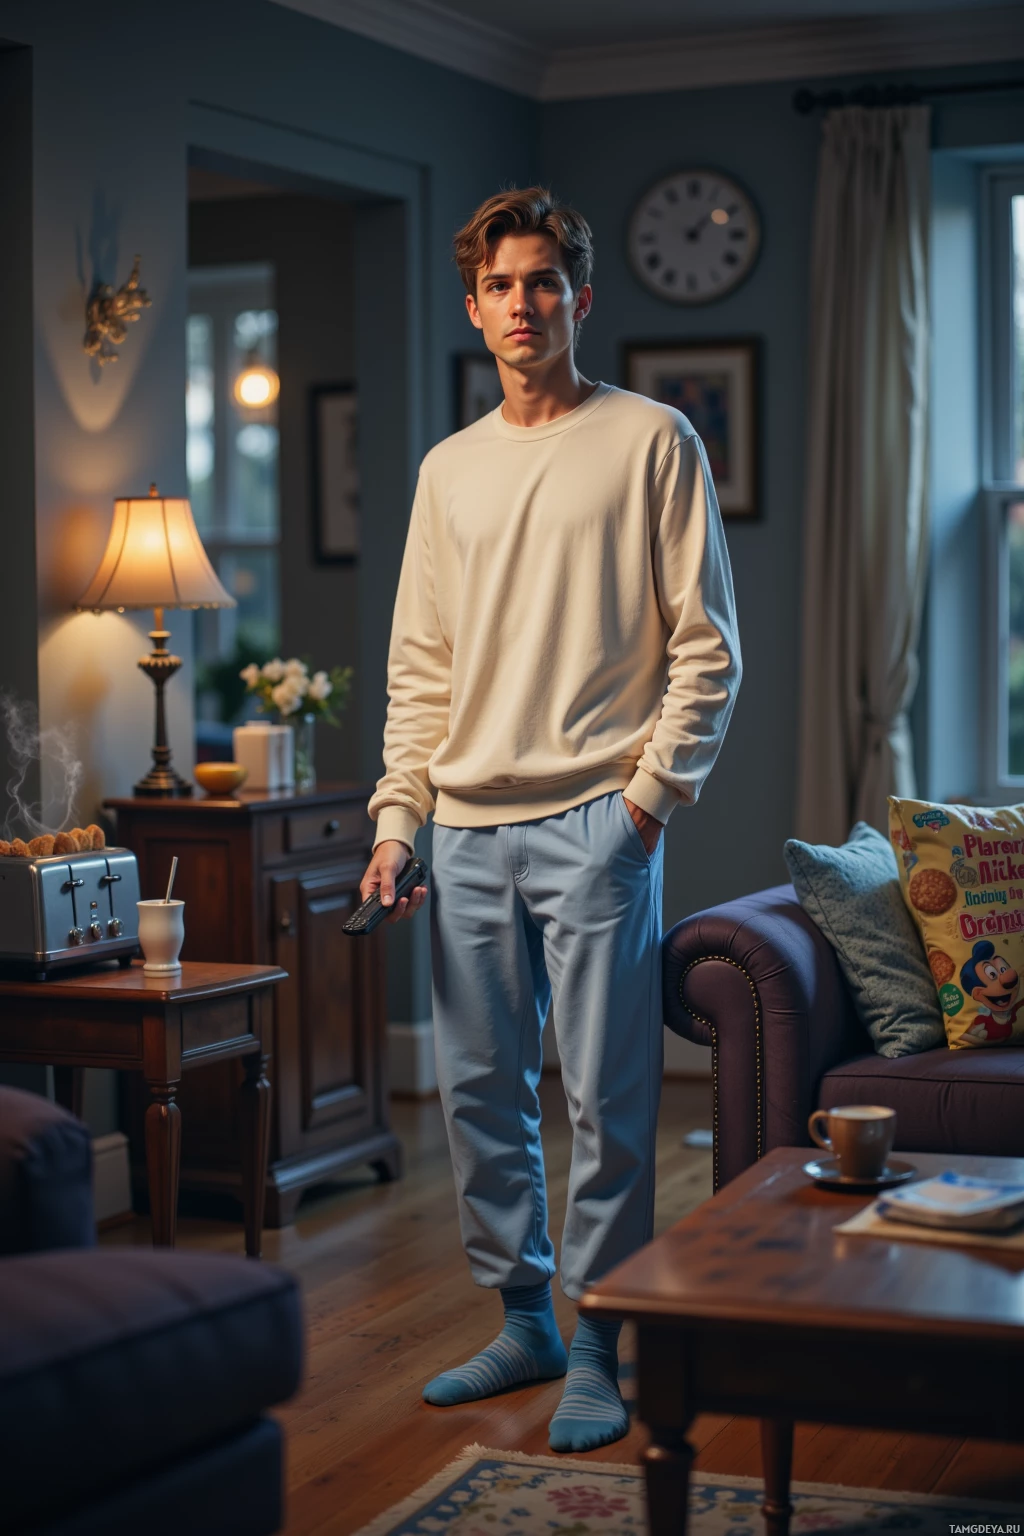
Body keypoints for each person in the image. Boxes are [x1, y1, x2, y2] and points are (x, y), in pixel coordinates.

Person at [360, 185, 741, 1453]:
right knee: (478, 1092)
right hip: (460, 829)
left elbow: (707, 651)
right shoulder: (448, 470)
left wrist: (644, 806)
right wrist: (396, 824)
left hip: (597, 821)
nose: (522, 305)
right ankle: (522, 1318)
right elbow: (421, 668)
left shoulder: (651, 441)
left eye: (542, 282)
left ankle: (597, 1342)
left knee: (607, 1102)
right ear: (472, 309)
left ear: (581, 295)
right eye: (499, 287)